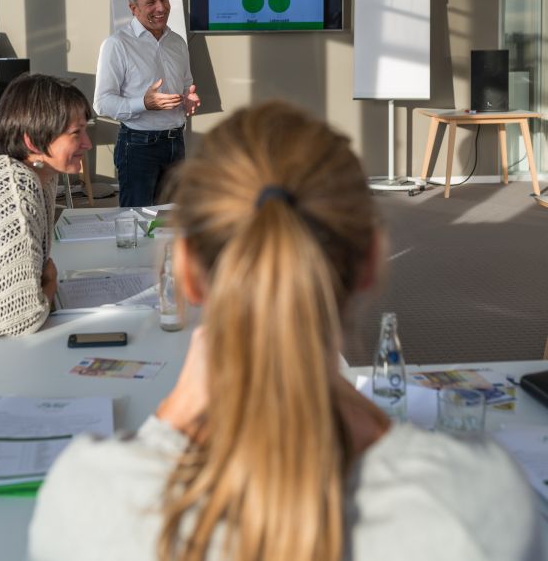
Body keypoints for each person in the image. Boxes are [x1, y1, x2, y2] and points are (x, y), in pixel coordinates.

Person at [29, 102, 541, 561]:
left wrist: (170, 418)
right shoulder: (480, 505)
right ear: (370, 263)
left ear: (183, 272)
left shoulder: (83, 501)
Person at [0, 73, 93, 404]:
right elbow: (15, 322)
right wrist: (49, 285)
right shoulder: (16, 187)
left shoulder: (34, 175)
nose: (87, 143)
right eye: (76, 133)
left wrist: (44, 284)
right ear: (32, 142)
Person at [94, 0, 200, 208]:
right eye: (151, 2)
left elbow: (186, 84)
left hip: (176, 142)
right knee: (137, 222)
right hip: (138, 146)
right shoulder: (116, 45)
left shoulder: (177, 42)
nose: (161, 8)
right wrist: (144, 103)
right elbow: (102, 103)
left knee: (173, 221)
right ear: (133, 8)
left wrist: (189, 98)